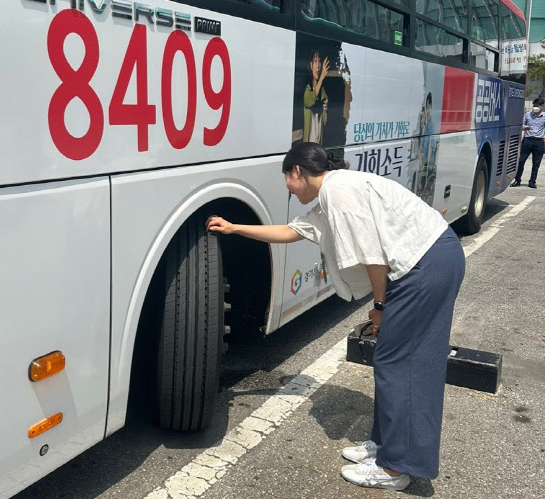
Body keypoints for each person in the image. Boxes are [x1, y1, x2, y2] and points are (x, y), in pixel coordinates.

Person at [206, 142, 465, 491]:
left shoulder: (338, 192)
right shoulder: (333, 194)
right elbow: (291, 231)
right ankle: (387, 446)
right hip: (423, 262)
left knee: (400, 362)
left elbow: (374, 256)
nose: (286, 187)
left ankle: (395, 468)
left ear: (297, 171)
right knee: (396, 360)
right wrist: (235, 228)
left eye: (286, 179)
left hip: (423, 266)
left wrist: (380, 307)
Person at [511, 97, 545, 188]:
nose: (535, 107)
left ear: (541, 106)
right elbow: (521, 125)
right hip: (527, 140)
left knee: (536, 163)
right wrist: (524, 127)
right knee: (521, 161)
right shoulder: (528, 115)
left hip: (539, 141)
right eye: (534, 105)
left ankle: (532, 181)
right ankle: (517, 180)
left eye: (537, 106)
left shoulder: (544, 117)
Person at [303, 50, 330, 144]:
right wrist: (322, 77)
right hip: (308, 144)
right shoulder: (307, 87)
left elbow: (325, 122)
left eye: (320, 61)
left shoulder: (322, 91)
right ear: (311, 65)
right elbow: (309, 102)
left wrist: (325, 109)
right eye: (315, 61)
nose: (318, 65)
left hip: (318, 143)